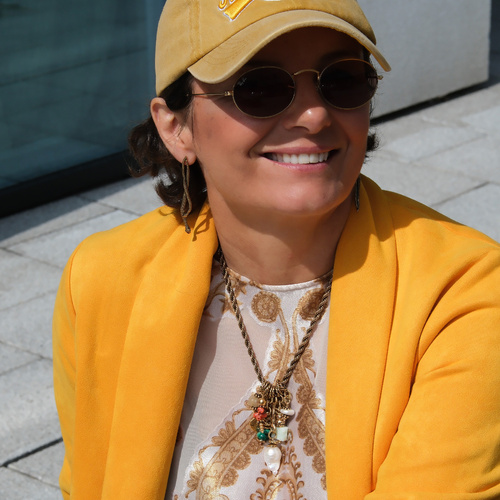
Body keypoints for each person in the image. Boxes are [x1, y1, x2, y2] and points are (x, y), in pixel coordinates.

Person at [52, 0, 500, 498]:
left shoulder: (464, 292)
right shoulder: (100, 281)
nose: (314, 114)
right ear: (176, 127)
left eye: (342, 80)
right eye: (259, 88)